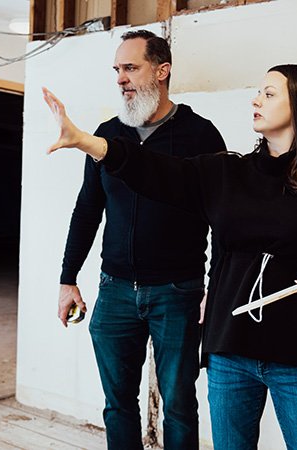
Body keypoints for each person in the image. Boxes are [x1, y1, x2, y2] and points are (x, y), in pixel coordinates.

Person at [43, 63, 297, 450]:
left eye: (269, 94)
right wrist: (88, 142)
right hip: (229, 349)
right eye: (258, 91)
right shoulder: (227, 172)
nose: (256, 99)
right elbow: (155, 171)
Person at [55, 30, 226, 450]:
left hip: (178, 292)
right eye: (117, 69)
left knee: (180, 405)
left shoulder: (200, 136)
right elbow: (87, 210)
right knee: (117, 405)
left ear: (162, 70)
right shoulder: (107, 135)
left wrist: (214, 287)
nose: (121, 79)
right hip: (114, 292)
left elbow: (223, 218)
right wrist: (67, 278)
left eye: (131, 68)